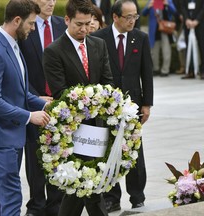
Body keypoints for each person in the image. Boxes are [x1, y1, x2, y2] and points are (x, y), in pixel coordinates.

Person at [0, 0, 50, 215]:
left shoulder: (13, 45)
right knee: (11, 198)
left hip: (10, 135)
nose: (34, 29)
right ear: (17, 20)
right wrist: (29, 116)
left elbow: (19, 92)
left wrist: (45, 103)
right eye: (32, 24)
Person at [43, 0, 114, 215]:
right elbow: (60, 93)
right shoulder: (54, 51)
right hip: (72, 130)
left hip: (98, 126)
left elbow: (107, 81)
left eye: (88, 24)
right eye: (78, 24)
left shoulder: (98, 45)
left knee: (88, 184)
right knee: (83, 184)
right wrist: (90, 101)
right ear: (67, 20)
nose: (84, 29)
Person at [91, 0, 154, 213]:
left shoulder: (141, 38)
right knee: (109, 150)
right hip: (108, 104)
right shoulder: (99, 38)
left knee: (135, 150)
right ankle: (111, 196)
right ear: (115, 17)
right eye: (128, 17)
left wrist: (147, 104)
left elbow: (147, 72)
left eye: (135, 16)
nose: (132, 20)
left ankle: (137, 195)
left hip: (134, 103)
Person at [18, 0, 66, 215]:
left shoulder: (61, 26)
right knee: (35, 156)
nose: (51, 3)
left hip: (60, 102)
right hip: (33, 100)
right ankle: (36, 203)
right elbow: (19, 66)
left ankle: (56, 205)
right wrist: (35, 96)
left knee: (59, 153)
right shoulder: (24, 26)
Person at [142, 0, 176, 77]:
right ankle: (156, 69)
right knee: (153, 51)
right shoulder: (151, 1)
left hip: (165, 29)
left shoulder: (168, 1)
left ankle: (165, 70)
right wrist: (149, 6)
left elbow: (174, 11)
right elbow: (143, 13)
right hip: (154, 30)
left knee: (166, 50)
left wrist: (167, 4)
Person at [180, 0, 204, 80]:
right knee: (188, 47)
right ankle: (190, 71)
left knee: (202, 47)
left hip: (200, 23)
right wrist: (187, 19)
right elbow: (182, 7)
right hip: (188, 24)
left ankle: (202, 71)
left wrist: (197, 20)